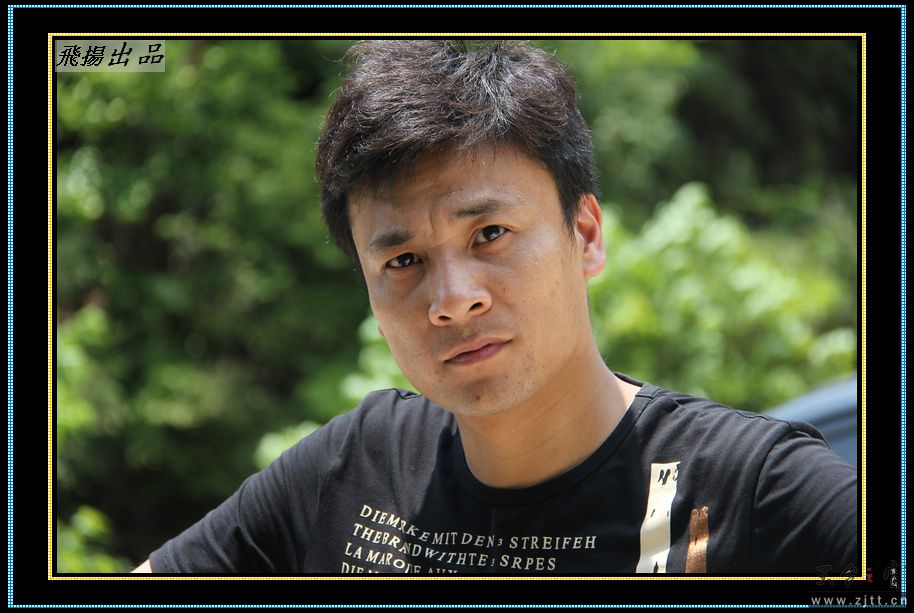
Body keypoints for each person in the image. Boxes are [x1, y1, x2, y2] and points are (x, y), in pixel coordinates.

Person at [132, 40, 857, 576]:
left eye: (490, 234)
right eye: (403, 261)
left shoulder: (754, 494)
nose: (453, 299)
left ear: (585, 235)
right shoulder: (349, 473)